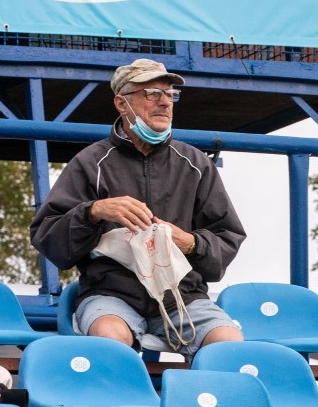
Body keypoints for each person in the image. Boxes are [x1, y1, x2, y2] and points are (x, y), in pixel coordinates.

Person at [30, 58, 246, 360]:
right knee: (111, 339)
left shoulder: (196, 164)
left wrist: (192, 243)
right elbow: (48, 238)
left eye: (170, 95)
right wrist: (93, 211)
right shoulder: (90, 162)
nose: (164, 103)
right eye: (151, 94)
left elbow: (227, 237)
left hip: (182, 297)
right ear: (122, 103)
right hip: (111, 295)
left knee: (229, 345)